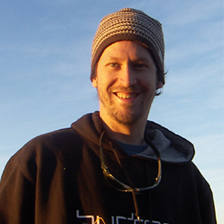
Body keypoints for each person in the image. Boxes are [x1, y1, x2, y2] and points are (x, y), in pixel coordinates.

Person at [0, 8, 216, 224]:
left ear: (159, 80)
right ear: (95, 76)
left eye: (140, 66)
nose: (127, 79)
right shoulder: (39, 162)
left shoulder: (189, 183)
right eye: (114, 65)